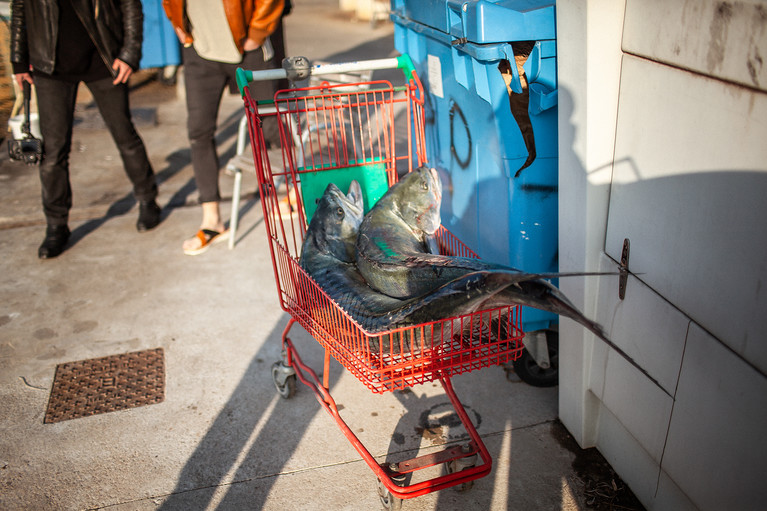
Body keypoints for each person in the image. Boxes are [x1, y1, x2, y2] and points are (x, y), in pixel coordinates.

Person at [9, 0, 162, 259]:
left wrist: (129, 54)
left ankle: (148, 200)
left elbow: (130, 6)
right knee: (54, 152)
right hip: (50, 67)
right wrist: (18, 62)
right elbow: (21, 10)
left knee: (125, 135)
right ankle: (56, 225)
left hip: (103, 61)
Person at [162, 0, 284, 255]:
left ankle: (295, 192)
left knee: (268, 122)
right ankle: (211, 222)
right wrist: (178, 25)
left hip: (248, 45)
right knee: (199, 132)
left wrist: (257, 33)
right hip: (200, 48)